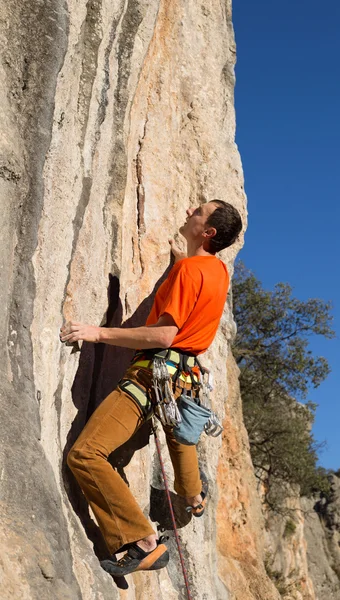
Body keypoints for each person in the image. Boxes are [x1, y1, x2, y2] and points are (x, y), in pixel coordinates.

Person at [60, 199, 242, 576]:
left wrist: (98, 333)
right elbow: (194, 303)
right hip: (183, 380)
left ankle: (143, 542)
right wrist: (181, 262)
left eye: (198, 212)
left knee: (86, 454)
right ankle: (193, 495)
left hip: (150, 377)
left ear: (207, 232)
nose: (190, 209)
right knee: (181, 432)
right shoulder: (217, 272)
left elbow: (163, 334)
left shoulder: (190, 271)